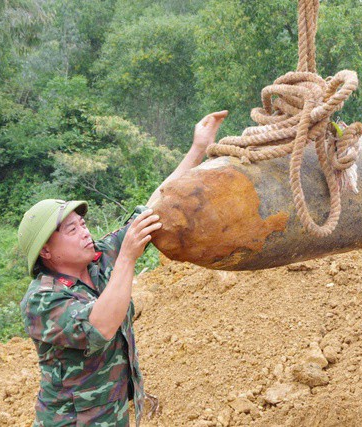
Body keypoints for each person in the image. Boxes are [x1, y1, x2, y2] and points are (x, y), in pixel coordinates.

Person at [18, 110, 228, 426]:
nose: (85, 232)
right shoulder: (41, 300)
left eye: (83, 224)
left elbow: (152, 211)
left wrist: (197, 149)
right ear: (46, 250)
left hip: (114, 416)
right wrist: (127, 257)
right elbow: (99, 327)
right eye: (72, 230)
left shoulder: (98, 259)